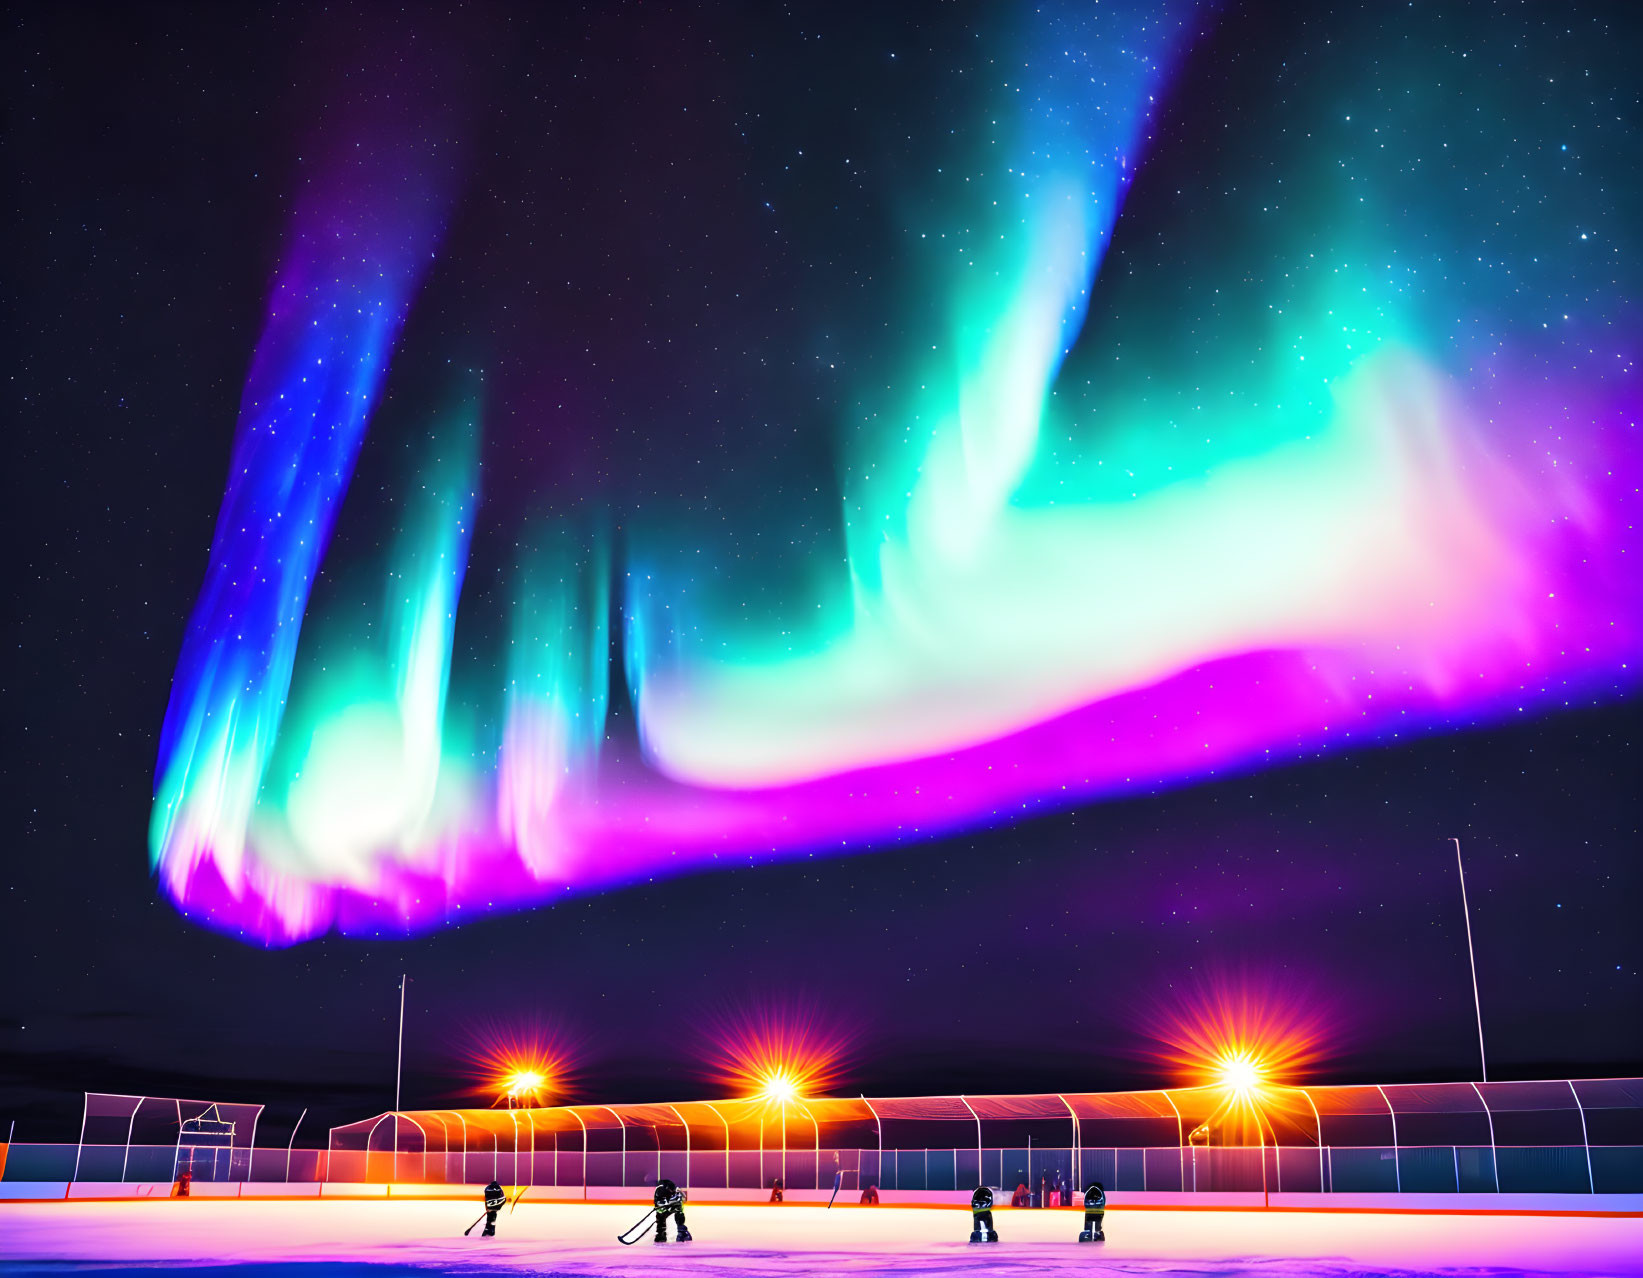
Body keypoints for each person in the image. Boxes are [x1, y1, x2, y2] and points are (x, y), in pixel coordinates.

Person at [652, 1177, 692, 1243]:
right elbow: (658, 1204)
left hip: (674, 1207)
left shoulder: (676, 1190)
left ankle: (682, 1232)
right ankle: (661, 1234)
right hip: (663, 1209)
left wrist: (675, 1204)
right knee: (661, 1220)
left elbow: (684, 1199)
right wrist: (663, 1208)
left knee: (679, 1215)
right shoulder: (659, 1191)